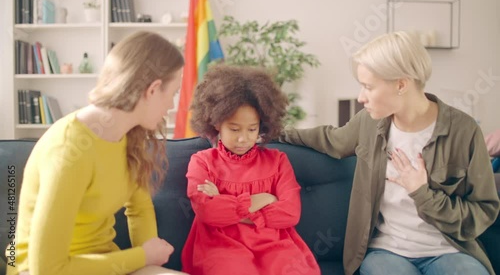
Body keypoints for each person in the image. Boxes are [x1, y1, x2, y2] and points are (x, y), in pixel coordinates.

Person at [279, 31, 500, 275]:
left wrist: (422, 194)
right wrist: (270, 132)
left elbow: (483, 210)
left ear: (401, 84)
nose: (361, 97)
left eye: (368, 87)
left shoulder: (464, 131)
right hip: (386, 253)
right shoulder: (369, 123)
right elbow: (331, 139)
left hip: (449, 250)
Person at [6, 31, 188, 275]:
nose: (171, 105)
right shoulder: (69, 147)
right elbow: (47, 268)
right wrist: (142, 256)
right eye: (173, 93)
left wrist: (150, 264)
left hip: (104, 264)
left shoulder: (128, 137)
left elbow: (140, 209)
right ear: (153, 89)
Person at [181, 65, 321, 275]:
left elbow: (290, 214)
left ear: (262, 126)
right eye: (234, 129)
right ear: (217, 123)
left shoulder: (278, 161)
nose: (243, 138)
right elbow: (208, 212)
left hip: (274, 245)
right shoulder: (202, 162)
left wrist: (225, 203)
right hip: (220, 246)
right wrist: (265, 199)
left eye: (252, 129)